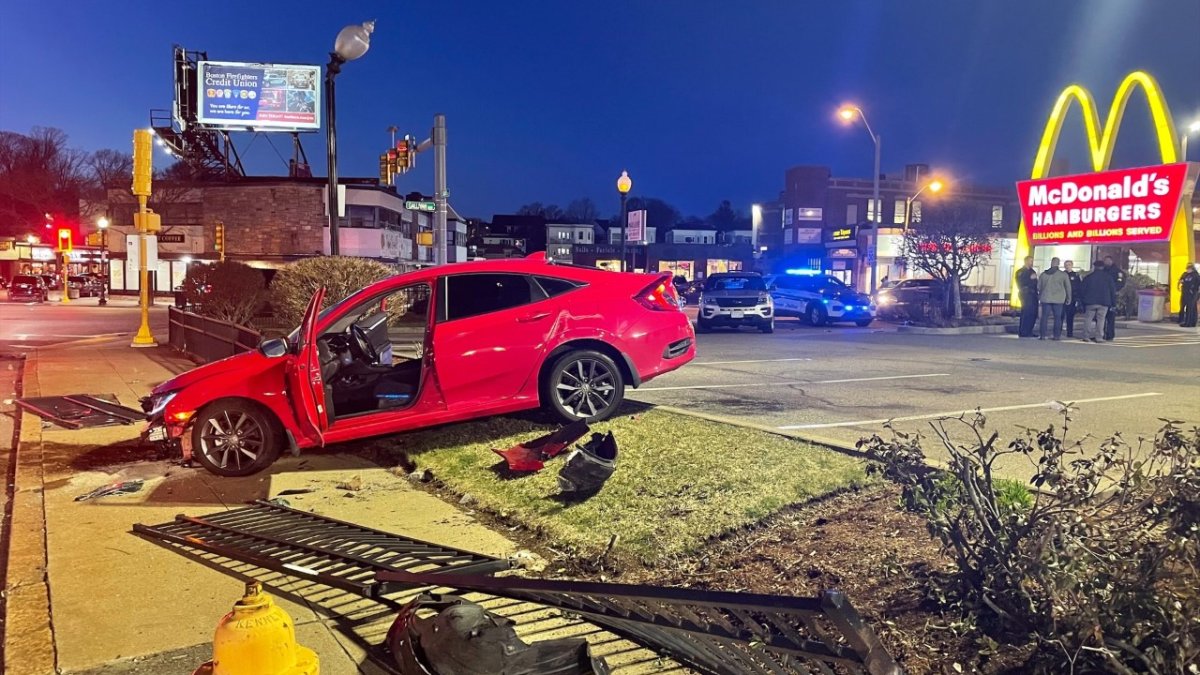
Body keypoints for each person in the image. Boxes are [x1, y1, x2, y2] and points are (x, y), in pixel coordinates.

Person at [1080, 261, 1117, 343]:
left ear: (1094, 266)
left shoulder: (1088, 277)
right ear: (1103, 267)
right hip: (1104, 302)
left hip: (1090, 302)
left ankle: (1086, 336)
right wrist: (1113, 303)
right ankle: (1099, 337)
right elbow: (1112, 291)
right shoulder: (1108, 277)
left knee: (1088, 319)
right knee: (1101, 320)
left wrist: (1082, 301)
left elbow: (1082, 290)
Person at [1037, 257, 1071, 340]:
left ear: (1051, 263)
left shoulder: (1043, 274)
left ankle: (1043, 335)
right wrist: (1069, 298)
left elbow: (1038, 287)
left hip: (1045, 298)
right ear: (1058, 263)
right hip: (1058, 300)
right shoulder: (1063, 275)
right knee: (1057, 318)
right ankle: (1056, 336)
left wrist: (1040, 295)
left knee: (1044, 317)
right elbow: (1068, 287)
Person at [1102, 256, 1126, 341]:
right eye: (1105, 261)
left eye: (1108, 260)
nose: (1107, 262)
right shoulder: (1102, 271)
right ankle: (1101, 334)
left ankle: (1110, 334)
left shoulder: (1117, 272)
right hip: (1102, 296)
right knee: (1101, 317)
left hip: (1112, 296)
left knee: (1110, 317)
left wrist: (1113, 290)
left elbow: (1121, 283)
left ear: (1112, 261)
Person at [1016, 256, 1038, 338]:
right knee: (1026, 312)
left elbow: (1035, 283)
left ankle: (1029, 331)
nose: (1031, 263)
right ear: (1025, 261)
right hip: (1026, 294)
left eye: (1032, 261)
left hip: (1033, 294)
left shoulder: (1032, 271)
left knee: (1033, 313)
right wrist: (1030, 279)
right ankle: (1023, 331)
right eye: (1030, 261)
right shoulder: (1020, 272)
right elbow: (1021, 283)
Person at [1062, 260, 1082, 338]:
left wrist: (1078, 298)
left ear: (1072, 265)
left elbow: (1079, 286)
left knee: (1070, 316)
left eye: (1069, 265)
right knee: (1060, 315)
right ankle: (1058, 331)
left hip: (1072, 298)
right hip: (1062, 297)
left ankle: (1069, 332)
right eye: (1066, 265)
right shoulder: (1062, 274)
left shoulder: (1075, 275)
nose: (1067, 266)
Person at [1179, 262, 1199, 328]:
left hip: (1192, 294)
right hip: (1185, 293)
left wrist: (1193, 290)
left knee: (1190, 308)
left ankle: (1189, 323)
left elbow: (1197, 285)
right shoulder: (1185, 274)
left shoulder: (1196, 275)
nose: (1188, 270)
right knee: (1185, 307)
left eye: (1189, 269)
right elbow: (1181, 280)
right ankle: (1185, 321)